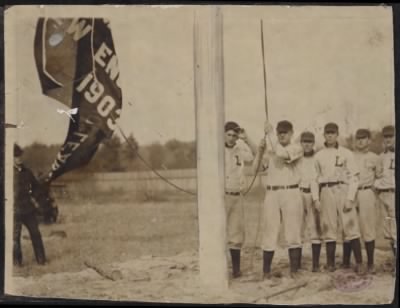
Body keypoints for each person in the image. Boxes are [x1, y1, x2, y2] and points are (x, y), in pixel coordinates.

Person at [253, 120, 304, 279]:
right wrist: (260, 152)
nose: (282, 135)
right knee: (269, 231)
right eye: (279, 132)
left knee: (292, 232)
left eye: (285, 132)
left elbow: (282, 153)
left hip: (291, 191)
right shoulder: (272, 151)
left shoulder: (296, 148)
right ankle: (266, 271)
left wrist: (269, 135)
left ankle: (294, 271)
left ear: (291, 133)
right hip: (272, 193)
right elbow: (255, 169)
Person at [314, 123, 363, 273]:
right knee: (329, 227)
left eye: (332, 133)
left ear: (337, 134)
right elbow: (314, 179)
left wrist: (350, 197)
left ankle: (360, 263)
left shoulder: (346, 153)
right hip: (326, 190)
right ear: (324, 135)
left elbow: (354, 176)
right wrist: (316, 198)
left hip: (343, 188)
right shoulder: (319, 155)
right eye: (327, 133)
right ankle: (330, 264)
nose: (330, 135)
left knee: (350, 226)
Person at [224, 121, 257, 278]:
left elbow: (255, 155)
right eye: (229, 135)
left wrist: (246, 138)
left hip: (237, 194)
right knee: (218, 232)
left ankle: (236, 270)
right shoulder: (218, 150)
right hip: (221, 196)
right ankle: (218, 268)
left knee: (236, 234)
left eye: (234, 135)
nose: (231, 138)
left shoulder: (240, 148)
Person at [347, 129, 382, 274]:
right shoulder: (350, 156)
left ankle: (371, 263)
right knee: (352, 228)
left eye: (364, 138)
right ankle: (359, 262)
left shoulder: (375, 157)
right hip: (351, 193)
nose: (360, 141)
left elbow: (380, 176)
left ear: (369, 140)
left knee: (368, 229)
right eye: (358, 138)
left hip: (367, 191)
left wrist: (375, 189)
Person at [13, 144, 46, 266]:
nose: (19, 158)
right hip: (14, 211)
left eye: (20, 156)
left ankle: (41, 260)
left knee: (36, 234)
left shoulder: (27, 172)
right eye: (16, 156)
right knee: (15, 238)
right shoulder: (7, 173)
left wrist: (37, 200)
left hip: (28, 209)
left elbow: (36, 188)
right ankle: (17, 262)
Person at [297, 131, 322, 272]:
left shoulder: (317, 158)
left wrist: (316, 199)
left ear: (313, 143)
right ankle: (297, 264)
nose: (307, 144)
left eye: (309, 142)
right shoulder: (297, 158)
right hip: (298, 193)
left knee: (315, 229)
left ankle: (316, 264)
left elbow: (316, 179)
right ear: (300, 143)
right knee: (298, 229)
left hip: (313, 195)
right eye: (304, 141)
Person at [374, 125, 396, 261]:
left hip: (394, 194)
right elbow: (378, 176)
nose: (388, 139)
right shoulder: (381, 156)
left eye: (391, 136)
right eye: (386, 136)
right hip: (383, 195)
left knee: (395, 229)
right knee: (388, 230)